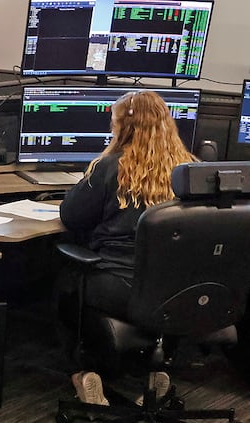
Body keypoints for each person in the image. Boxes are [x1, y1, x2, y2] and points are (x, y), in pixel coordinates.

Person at [58, 90, 198, 406]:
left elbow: (71, 216)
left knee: (66, 287)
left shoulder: (110, 167)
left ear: (124, 127)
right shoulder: (190, 170)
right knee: (155, 304)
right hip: (175, 289)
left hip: (119, 287)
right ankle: (154, 372)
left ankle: (85, 372)